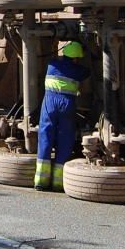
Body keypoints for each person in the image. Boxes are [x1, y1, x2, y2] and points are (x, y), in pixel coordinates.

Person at [35, 41, 90, 192]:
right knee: (65, 138)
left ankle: (40, 180)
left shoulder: (52, 65)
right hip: (66, 104)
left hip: (49, 104)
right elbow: (88, 74)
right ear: (77, 57)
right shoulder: (78, 70)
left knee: (45, 135)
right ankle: (58, 182)